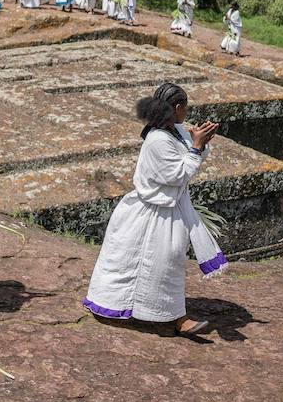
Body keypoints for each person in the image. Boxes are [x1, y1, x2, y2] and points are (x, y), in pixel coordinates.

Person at [82, 83, 225, 333]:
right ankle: (167, 317)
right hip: (151, 212)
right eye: (186, 107)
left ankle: (167, 314)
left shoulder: (176, 131)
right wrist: (197, 146)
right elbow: (178, 175)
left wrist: (199, 142)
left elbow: (192, 158)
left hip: (166, 210)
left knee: (156, 264)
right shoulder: (157, 139)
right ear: (178, 108)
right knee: (154, 264)